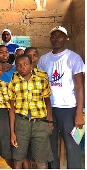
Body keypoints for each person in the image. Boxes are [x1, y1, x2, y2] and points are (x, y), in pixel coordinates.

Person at [38, 26, 85, 169]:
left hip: (69, 109)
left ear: (65, 38)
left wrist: (79, 113)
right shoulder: (44, 59)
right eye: (54, 36)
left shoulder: (73, 58)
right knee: (51, 146)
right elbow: (41, 85)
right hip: (50, 108)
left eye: (60, 36)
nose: (57, 38)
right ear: (50, 38)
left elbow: (79, 87)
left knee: (73, 145)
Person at [8, 54, 53, 169]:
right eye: (18, 65)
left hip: (40, 123)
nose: (22, 67)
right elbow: (12, 108)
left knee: (41, 160)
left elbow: (48, 101)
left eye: (25, 64)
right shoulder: (14, 80)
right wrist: (12, 132)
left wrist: (50, 121)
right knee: (18, 158)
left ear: (31, 65)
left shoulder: (41, 79)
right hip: (21, 122)